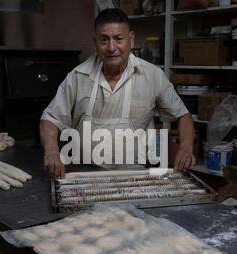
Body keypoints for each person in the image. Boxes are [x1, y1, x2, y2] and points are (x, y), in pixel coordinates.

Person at [40, 8, 196, 178]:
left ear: (131, 39)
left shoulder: (152, 76)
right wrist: (52, 151)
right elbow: (50, 119)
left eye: (118, 39)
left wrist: (186, 148)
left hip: (134, 175)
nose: (111, 47)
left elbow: (183, 116)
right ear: (95, 42)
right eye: (104, 40)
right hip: (83, 174)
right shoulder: (77, 77)